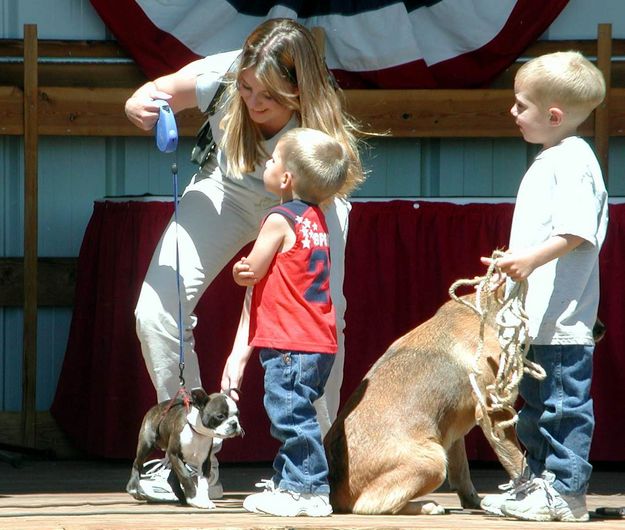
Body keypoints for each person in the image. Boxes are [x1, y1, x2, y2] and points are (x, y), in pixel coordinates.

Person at [124, 18, 364, 502]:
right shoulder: (223, 74)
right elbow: (160, 90)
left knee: (324, 317)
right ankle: (194, 459)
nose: (253, 102)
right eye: (247, 87)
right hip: (226, 189)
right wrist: (141, 101)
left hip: (307, 200)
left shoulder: (321, 122)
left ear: (300, 92)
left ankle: (315, 471)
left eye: (269, 96)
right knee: (154, 312)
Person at [480, 51, 608, 522]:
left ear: (553, 116)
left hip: (563, 319)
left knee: (561, 407)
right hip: (539, 318)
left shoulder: (573, 160)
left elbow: (576, 230)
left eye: (520, 105)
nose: (513, 113)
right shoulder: (555, 156)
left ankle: (565, 493)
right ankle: (537, 484)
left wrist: (530, 259)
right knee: (536, 409)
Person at [228, 127, 348, 517]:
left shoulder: (278, 219)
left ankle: (306, 490)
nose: (266, 162)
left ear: (285, 179)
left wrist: (240, 271)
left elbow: (254, 270)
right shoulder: (317, 218)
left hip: (290, 341)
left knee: (290, 416)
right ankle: (288, 481)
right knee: (299, 410)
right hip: (318, 339)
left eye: (273, 159)